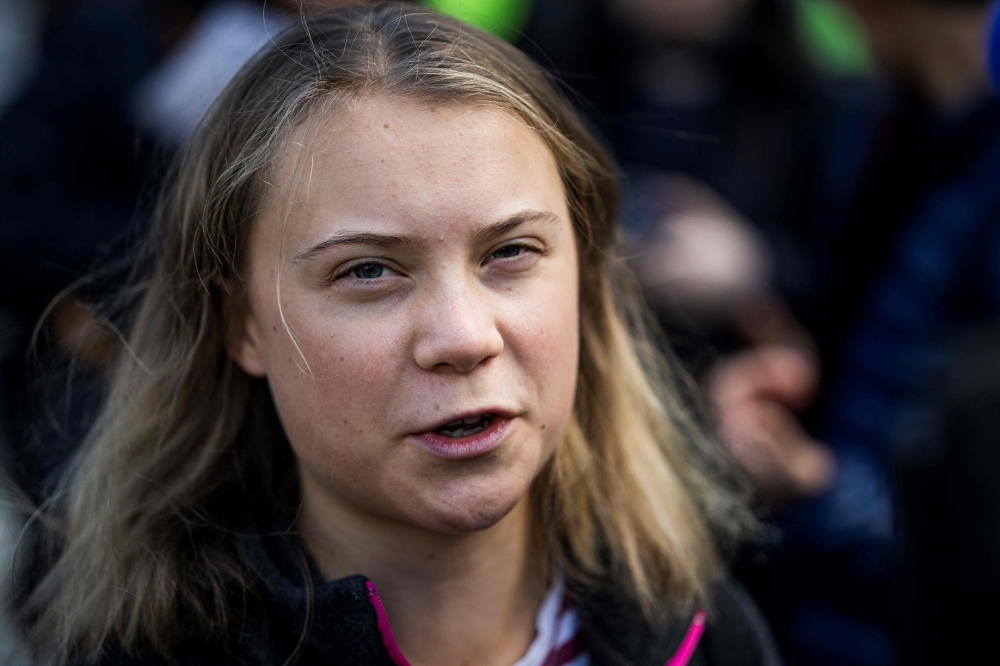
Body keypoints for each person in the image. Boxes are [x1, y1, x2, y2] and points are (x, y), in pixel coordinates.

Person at [18, 4, 778, 665]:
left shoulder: (707, 631)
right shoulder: (139, 648)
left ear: (584, 279)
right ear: (240, 325)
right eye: (369, 271)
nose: (464, 337)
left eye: (510, 252)